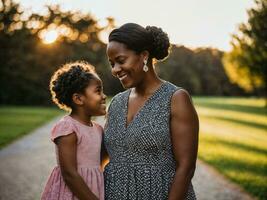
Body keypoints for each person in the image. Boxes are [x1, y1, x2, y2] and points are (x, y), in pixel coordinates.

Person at [103, 23, 199, 200]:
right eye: (112, 63)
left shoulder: (175, 98)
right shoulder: (116, 102)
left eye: (121, 60)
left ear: (144, 56)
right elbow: (100, 157)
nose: (115, 70)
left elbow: (186, 168)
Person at [41, 61, 106, 200]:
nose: (104, 96)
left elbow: (100, 160)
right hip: (73, 192)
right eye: (98, 91)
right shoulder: (68, 127)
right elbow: (69, 173)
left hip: (92, 188)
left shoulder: (98, 129)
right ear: (78, 99)